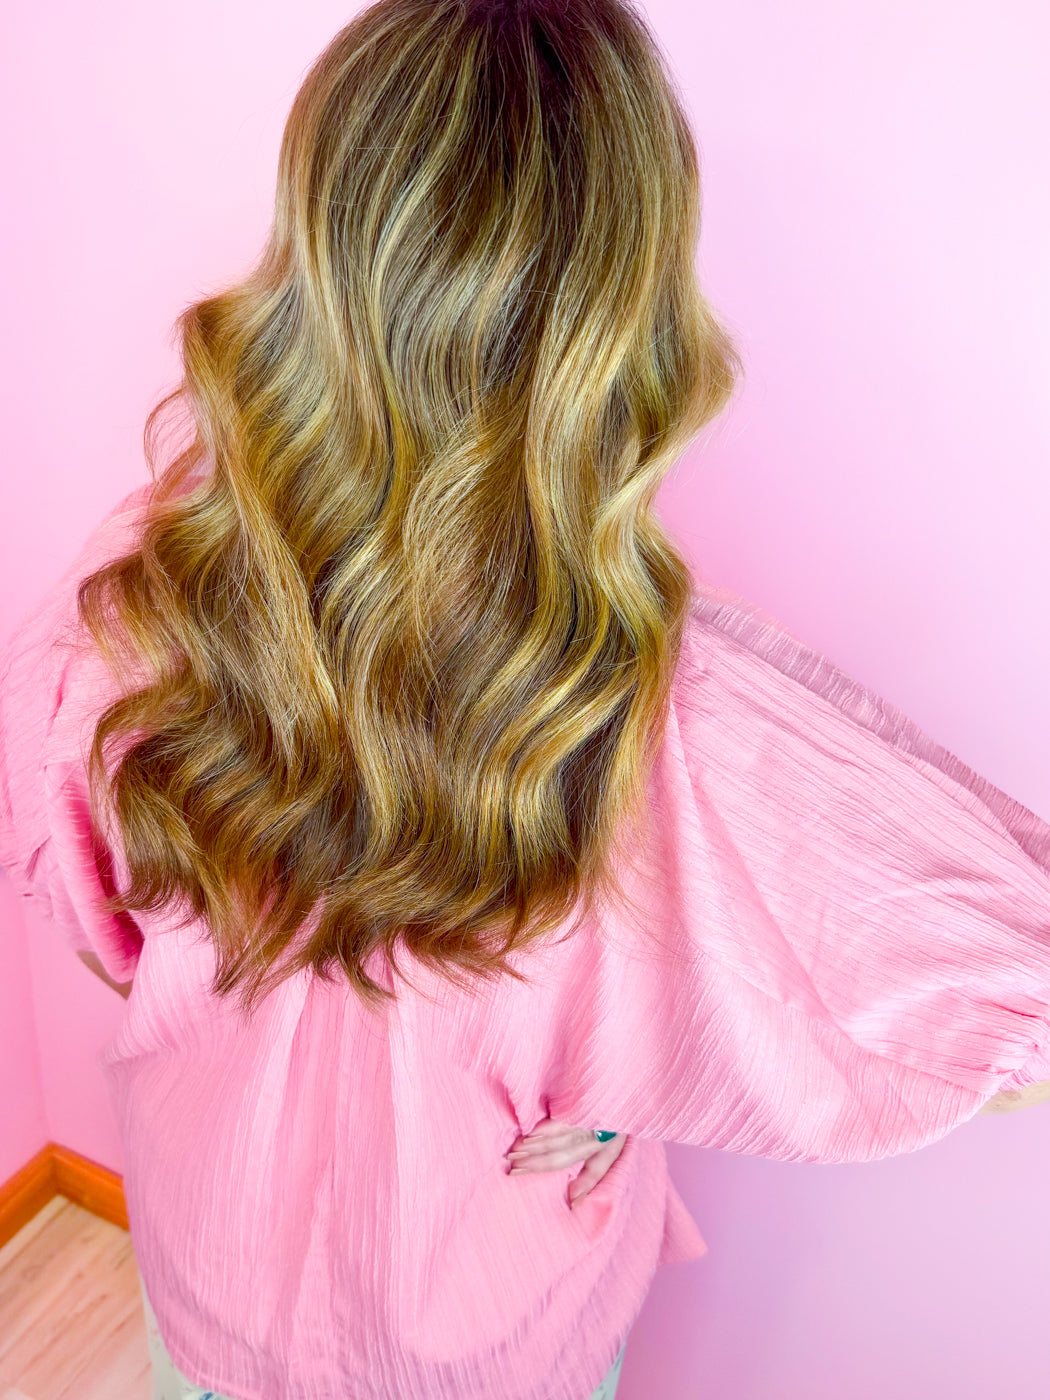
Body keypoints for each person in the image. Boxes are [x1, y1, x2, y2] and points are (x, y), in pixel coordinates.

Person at [2, 1, 1049, 1398]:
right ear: (624, 315)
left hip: (208, 1281)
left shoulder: (132, 598)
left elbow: (96, 925)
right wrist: (610, 1063)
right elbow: (1011, 1006)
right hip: (488, 1338)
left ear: (316, 247)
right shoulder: (673, 715)